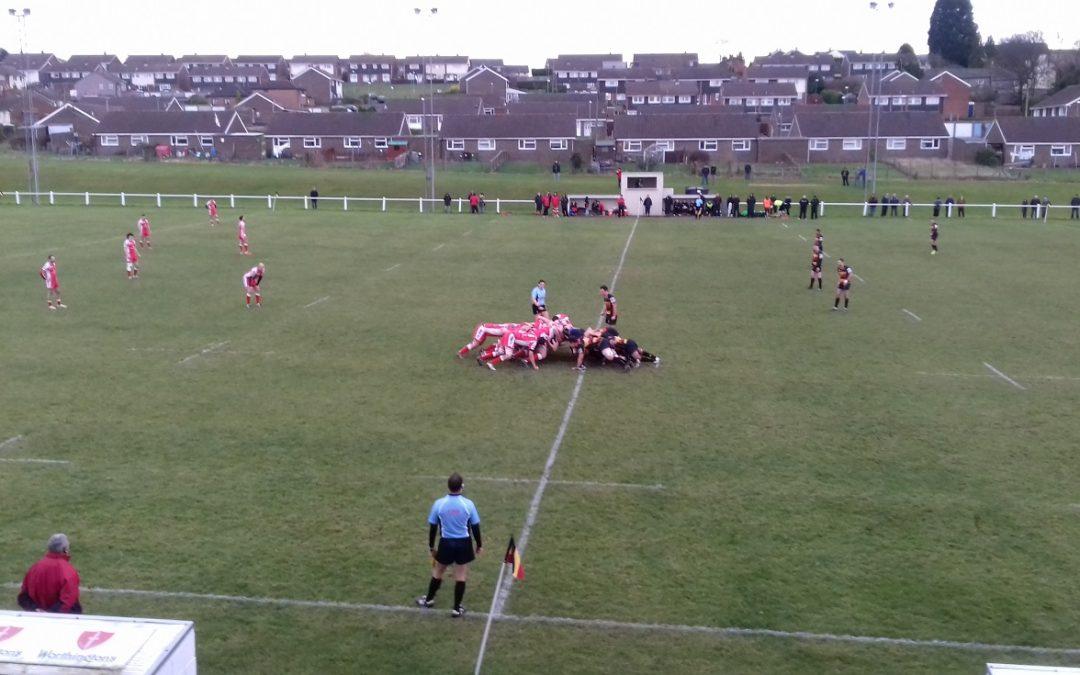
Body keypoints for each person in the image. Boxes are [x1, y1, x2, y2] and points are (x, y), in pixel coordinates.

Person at [416, 473, 482, 618]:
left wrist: (431, 546)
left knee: (438, 571)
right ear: (461, 487)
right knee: (461, 575)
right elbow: (475, 526)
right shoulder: (468, 504)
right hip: (464, 543)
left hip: (446, 543)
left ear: (448, 486)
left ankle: (428, 600)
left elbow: (433, 527)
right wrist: (479, 545)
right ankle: (456, 608)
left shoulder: (439, 504)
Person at [18, 533, 81, 614]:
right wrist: (49, 615)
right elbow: (68, 601)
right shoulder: (68, 571)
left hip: (37, 618)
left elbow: (23, 597)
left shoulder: (34, 568)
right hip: (61, 620)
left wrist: (35, 609)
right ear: (65, 550)